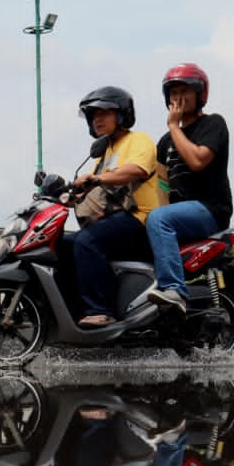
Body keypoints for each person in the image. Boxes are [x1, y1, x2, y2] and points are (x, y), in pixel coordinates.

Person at [69, 87, 163, 328]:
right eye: (93, 115)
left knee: (86, 241)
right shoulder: (105, 152)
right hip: (115, 221)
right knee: (63, 244)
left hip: (140, 219)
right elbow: (90, 185)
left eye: (104, 113)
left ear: (121, 115)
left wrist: (96, 179)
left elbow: (136, 170)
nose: (97, 119)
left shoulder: (137, 140)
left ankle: (101, 311)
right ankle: (75, 310)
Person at [143, 63, 231, 311]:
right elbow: (160, 185)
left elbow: (197, 161)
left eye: (185, 91)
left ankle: (175, 290)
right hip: (177, 215)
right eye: (173, 93)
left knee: (159, 219)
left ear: (200, 94)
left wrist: (173, 125)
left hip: (209, 209)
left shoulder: (213, 124)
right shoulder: (164, 143)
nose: (178, 97)